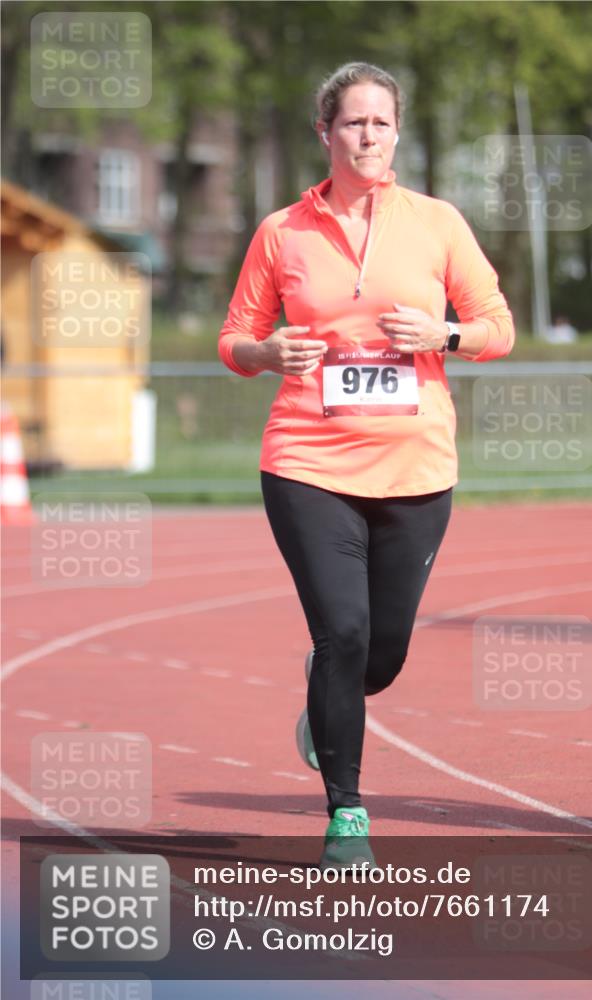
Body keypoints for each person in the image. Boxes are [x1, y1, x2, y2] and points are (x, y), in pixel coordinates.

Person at [219, 61, 515, 869]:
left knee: (378, 656)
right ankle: (346, 811)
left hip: (416, 465)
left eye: (381, 122)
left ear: (397, 131)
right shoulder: (282, 230)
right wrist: (265, 350)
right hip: (307, 459)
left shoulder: (436, 222)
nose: (368, 136)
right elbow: (234, 340)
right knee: (342, 633)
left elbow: (497, 325)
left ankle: (327, 698)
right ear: (326, 133)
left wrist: (443, 336)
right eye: (353, 122)